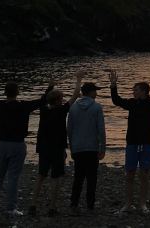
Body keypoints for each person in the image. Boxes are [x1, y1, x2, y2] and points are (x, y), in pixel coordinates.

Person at [0, 78, 56, 216]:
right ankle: (10, 207)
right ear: (17, 92)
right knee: (13, 177)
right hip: (17, 144)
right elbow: (42, 101)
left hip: (2, 144)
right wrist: (50, 87)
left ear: (5, 93)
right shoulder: (22, 106)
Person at [108, 66, 150, 215]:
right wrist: (113, 85)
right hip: (132, 143)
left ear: (143, 91)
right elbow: (116, 101)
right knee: (129, 174)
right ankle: (127, 204)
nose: (133, 93)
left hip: (147, 143)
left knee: (144, 175)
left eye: (135, 90)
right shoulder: (132, 104)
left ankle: (142, 204)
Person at [28, 71, 84, 217]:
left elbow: (43, 99)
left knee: (41, 175)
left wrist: (49, 86)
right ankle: (52, 207)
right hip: (57, 147)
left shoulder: (43, 110)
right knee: (55, 177)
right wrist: (78, 79)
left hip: (44, 147)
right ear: (59, 101)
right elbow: (76, 95)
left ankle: (33, 205)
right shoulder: (61, 110)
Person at [68, 80, 107, 216]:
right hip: (92, 147)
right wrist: (102, 147)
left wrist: (72, 148)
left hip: (78, 146)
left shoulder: (73, 107)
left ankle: (74, 204)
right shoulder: (97, 107)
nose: (96, 93)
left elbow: (70, 130)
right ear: (90, 92)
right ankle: (90, 206)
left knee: (78, 177)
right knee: (91, 178)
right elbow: (100, 128)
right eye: (95, 91)